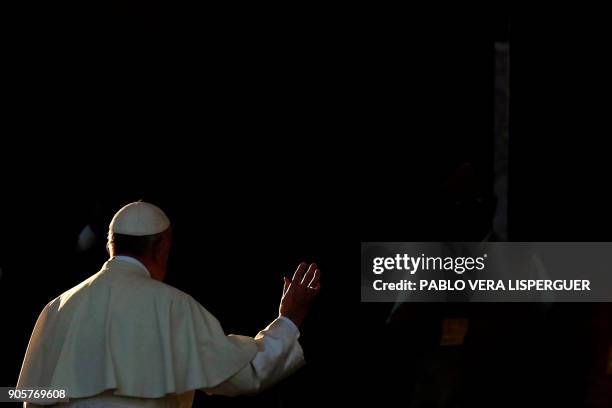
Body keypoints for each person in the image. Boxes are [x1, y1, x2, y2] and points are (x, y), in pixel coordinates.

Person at [17, 201, 321, 407]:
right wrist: (288, 319)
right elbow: (244, 373)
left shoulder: (57, 307)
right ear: (161, 245)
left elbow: (33, 396)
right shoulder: (172, 306)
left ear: (111, 244)